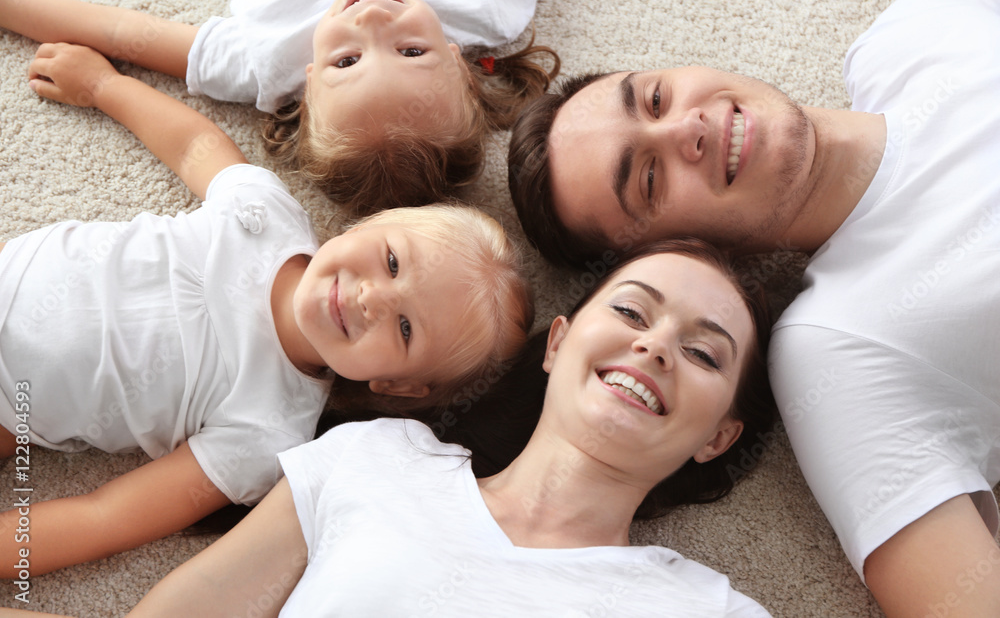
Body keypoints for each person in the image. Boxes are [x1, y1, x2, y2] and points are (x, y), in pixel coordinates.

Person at [506, 0, 1000, 615]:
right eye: (649, 178)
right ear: (680, 252)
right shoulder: (838, 346)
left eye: (655, 98)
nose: (687, 127)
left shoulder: (905, 45)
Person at [0, 43, 533, 576]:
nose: (372, 297)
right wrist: (102, 86)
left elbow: (108, 516)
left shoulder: (268, 432)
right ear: (369, 223)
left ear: (396, 387)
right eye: (392, 261)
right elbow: (195, 146)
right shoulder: (266, 214)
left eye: (405, 327)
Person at [66, 239, 775, 617]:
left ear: (718, 436)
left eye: (703, 351)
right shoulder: (375, 460)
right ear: (557, 345)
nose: (654, 347)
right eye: (631, 312)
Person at [0, 0, 561, 216]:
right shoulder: (486, 5)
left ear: (309, 83)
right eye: (412, 51)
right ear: (462, 63)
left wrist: (92, 76)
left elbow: (125, 33)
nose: (372, 21)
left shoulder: (267, 62)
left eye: (346, 61)